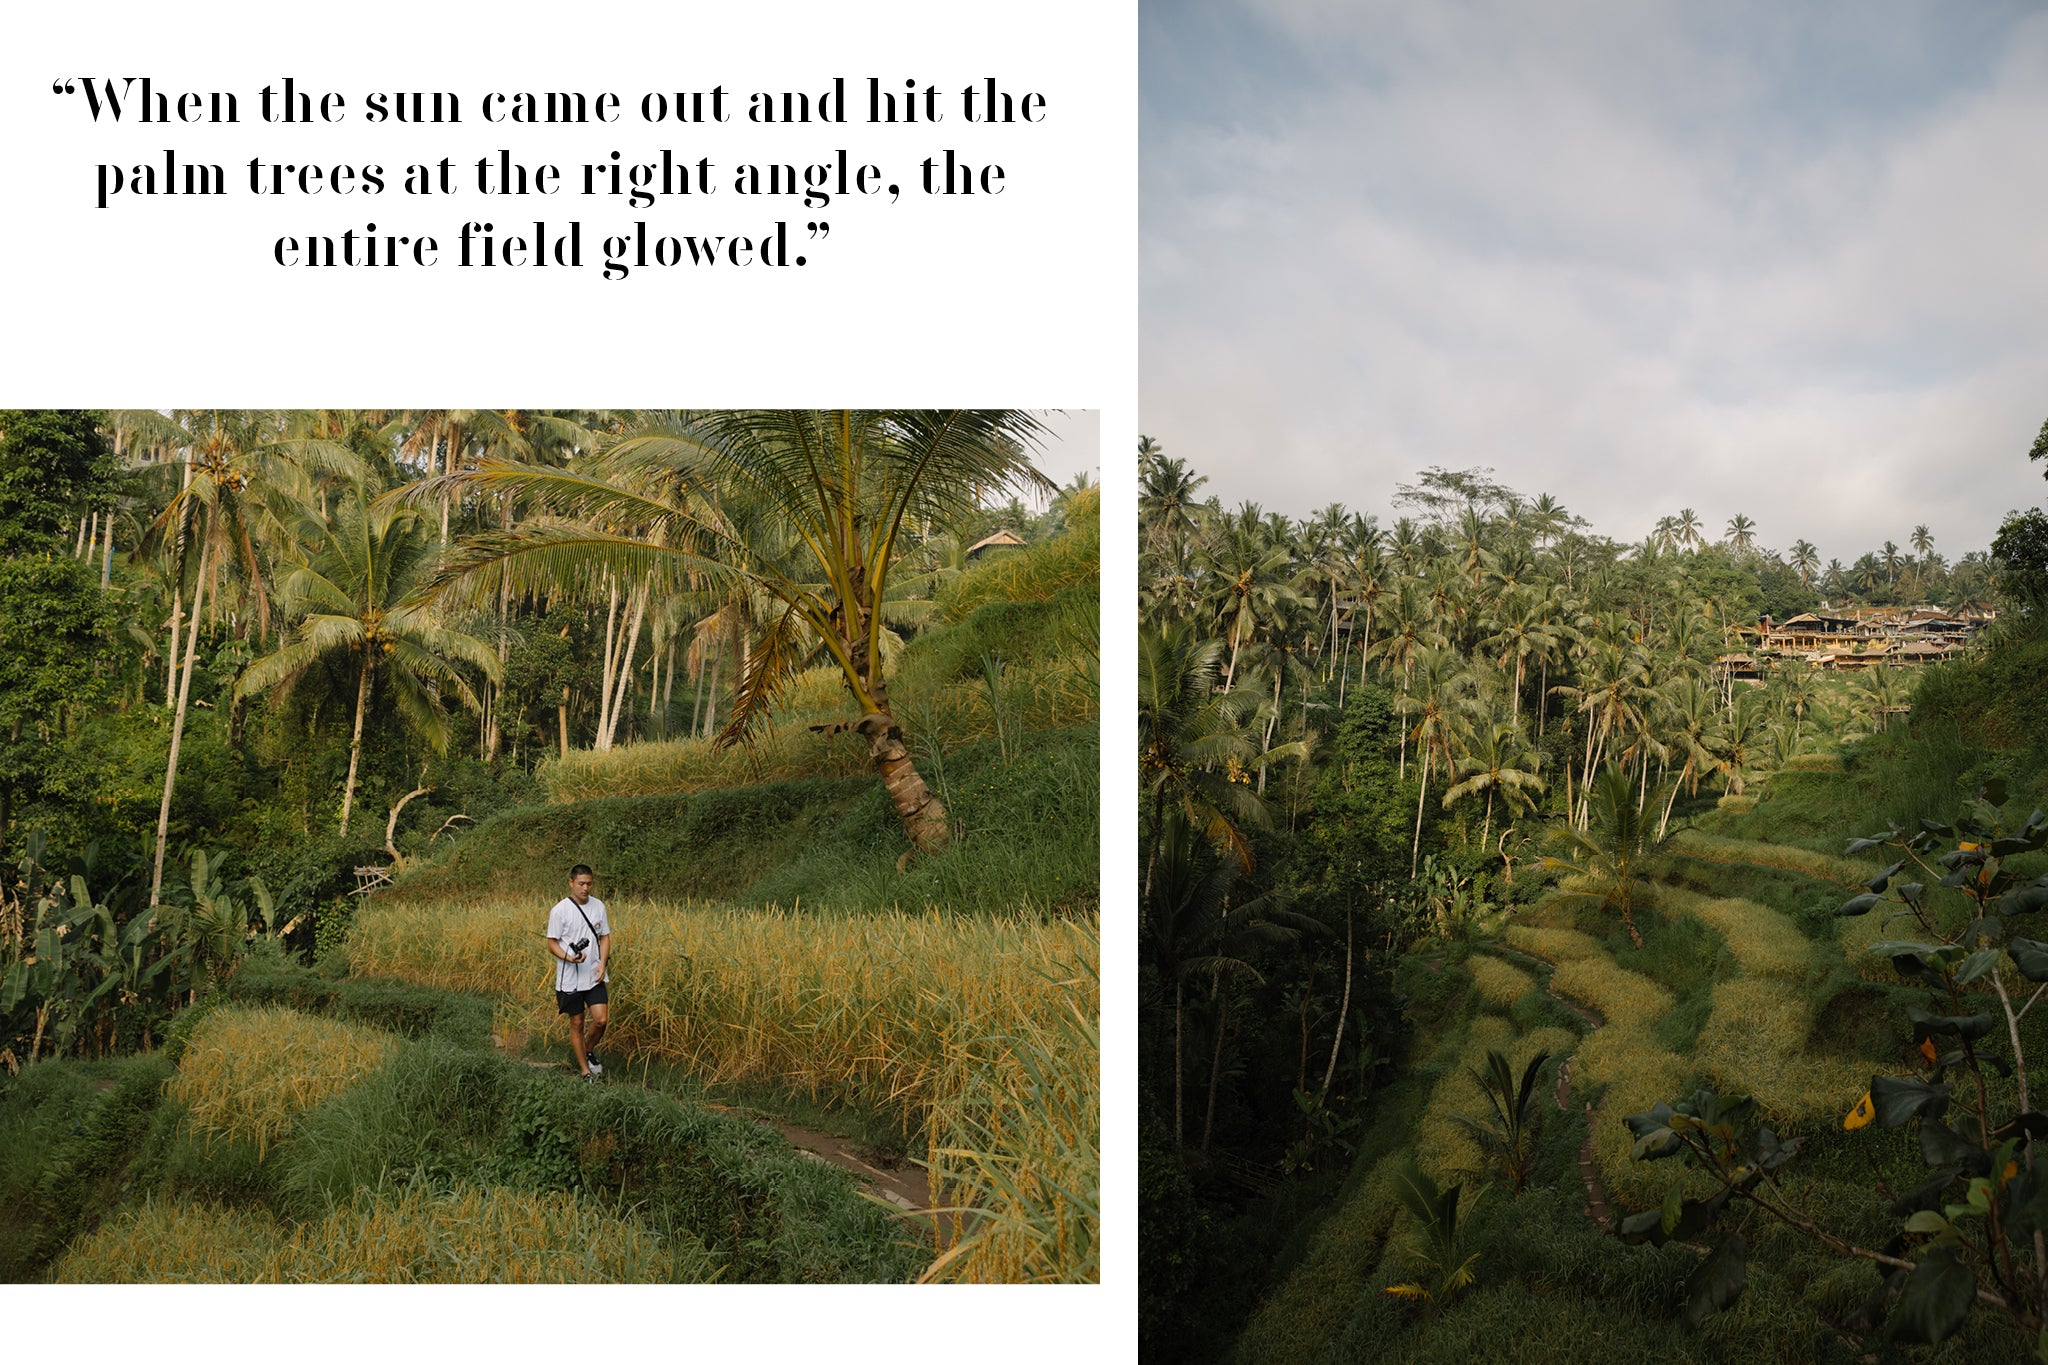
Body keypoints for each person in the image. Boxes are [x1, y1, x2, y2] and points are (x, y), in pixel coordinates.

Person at [547, 864, 611, 1080]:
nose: (586, 888)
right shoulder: (559, 910)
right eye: (581, 884)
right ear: (571, 883)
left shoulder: (598, 906)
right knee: (577, 1023)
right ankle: (585, 1072)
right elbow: (552, 943)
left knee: (601, 1020)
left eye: (589, 884)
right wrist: (568, 956)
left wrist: (602, 963)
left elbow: (604, 937)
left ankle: (588, 1049)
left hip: (593, 974)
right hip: (570, 977)